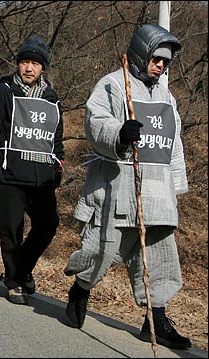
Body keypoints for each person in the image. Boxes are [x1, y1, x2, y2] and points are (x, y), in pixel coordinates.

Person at [62, 24, 191, 350]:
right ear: (140, 53)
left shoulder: (166, 95)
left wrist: (175, 187)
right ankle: (81, 287)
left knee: (161, 258)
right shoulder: (113, 84)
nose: (160, 65)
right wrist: (120, 133)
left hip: (157, 194)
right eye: (156, 57)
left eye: (165, 61)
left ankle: (155, 316)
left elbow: (173, 143)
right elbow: (96, 123)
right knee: (103, 250)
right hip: (118, 189)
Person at [0, 36, 64, 304]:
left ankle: (22, 267)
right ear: (18, 64)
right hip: (11, 171)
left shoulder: (52, 98)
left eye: (35, 63)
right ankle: (14, 280)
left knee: (48, 225)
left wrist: (59, 164)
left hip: (42, 175)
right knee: (11, 229)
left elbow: (56, 136)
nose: (29, 68)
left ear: (43, 68)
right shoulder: (1, 92)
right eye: (25, 62)